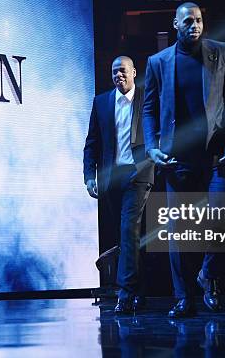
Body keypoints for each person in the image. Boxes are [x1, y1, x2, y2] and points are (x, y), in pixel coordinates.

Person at [143, 2, 225, 317]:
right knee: (179, 233)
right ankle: (182, 297)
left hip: (217, 155)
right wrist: (151, 146)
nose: (195, 26)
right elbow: (149, 109)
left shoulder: (222, 52)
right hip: (178, 159)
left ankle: (207, 276)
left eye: (199, 20)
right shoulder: (158, 62)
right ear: (176, 24)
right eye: (188, 21)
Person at [84, 56, 154, 314]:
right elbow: (92, 143)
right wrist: (89, 176)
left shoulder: (147, 98)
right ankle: (139, 291)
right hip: (112, 178)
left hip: (138, 174)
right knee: (128, 237)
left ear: (134, 72)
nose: (118, 75)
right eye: (114, 72)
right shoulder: (101, 102)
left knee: (128, 231)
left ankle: (125, 294)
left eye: (123, 71)